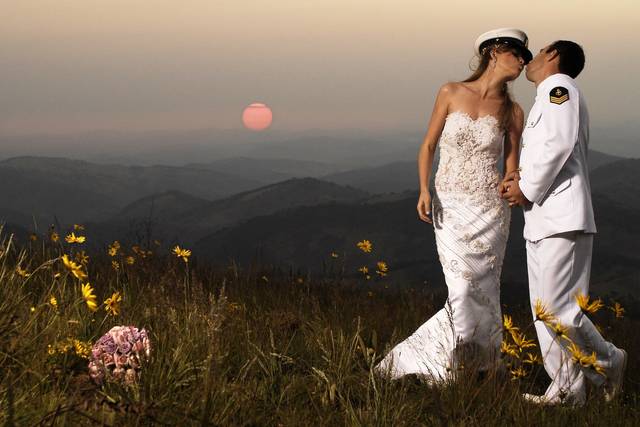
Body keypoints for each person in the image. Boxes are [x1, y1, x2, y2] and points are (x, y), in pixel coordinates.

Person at [374, 28, 531, 382]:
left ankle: (481, 368)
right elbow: (428, 144)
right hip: (450, 203)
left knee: (486, 290)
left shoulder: (513, 111)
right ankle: (445, 364)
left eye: (525, 57)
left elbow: (511, 167)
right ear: (494, 52)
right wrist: (423, 189)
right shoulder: (450, 91)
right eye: (517, 54)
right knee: (461, 288)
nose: (523, 61)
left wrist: (514, 184)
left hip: (491, 211)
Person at [501, 40, 627, 405]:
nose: (531, 58)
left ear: (553, 55)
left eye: (538, 51)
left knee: (560, 311)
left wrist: (525, 188)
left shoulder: (560, 89)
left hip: (562, 217)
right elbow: (544, 152)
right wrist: (518, 180)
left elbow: (558, 145)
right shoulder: (546, 96)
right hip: (543, 219)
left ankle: (610, 361)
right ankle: (567, 391)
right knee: (544, 313)